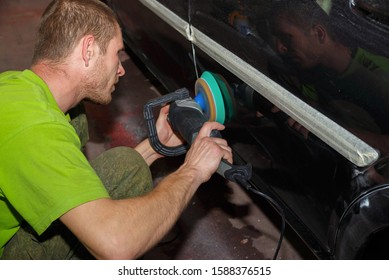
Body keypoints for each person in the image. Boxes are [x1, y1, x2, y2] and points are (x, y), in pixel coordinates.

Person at [0, 0, 232, 260]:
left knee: (127, 166)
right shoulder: (35, 129)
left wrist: (155, 147)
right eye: (117, 54)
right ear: (88, 49)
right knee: (116, 228)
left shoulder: (17, 87)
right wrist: (193, 170)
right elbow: (116, 245)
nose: (121, 68)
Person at [267, 0, 389, 155]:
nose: (280, 47)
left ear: (319, 33)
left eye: (286, 37)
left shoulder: (380, 75)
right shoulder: (309, 73)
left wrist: (323, 128)